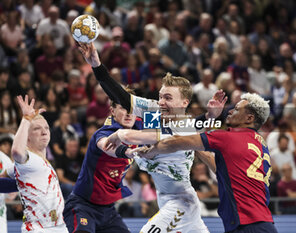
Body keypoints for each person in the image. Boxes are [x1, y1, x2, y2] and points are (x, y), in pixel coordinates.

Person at [77, 42, 224, 232]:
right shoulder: (155, 111)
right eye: (161, 96)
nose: (161, 102)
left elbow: (168, 132)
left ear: (184, 102)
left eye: (168, 98)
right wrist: (97, 65)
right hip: (167, 199)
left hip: (181, 202)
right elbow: (120, 95)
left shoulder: (186, 129)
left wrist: (123, 134)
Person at [124, 93, 278, 233]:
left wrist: (148, 150)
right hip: (262, 223)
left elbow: (175, 143)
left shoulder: (229, 137)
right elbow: (223, 170)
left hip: (247, 225)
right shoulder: (260, 144)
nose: (230, 111)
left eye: (237, 109)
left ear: (249, 118)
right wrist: (195, 142)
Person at [63, 97, 143, 233]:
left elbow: (169, 121)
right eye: (123, 108)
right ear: (112, 111)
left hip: (108, 210)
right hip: (83, 205)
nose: (129, 113)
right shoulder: (104, 133)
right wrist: (129, 151)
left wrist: (189, 126)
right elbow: (106, 146)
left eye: (132, 109)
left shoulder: (138, 126)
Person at [10, 95, 68, 232]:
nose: (44, 131)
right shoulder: (28, 158)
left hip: (59, 226)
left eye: (47, 128)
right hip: (38, 229)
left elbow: (6, 178)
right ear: (27, 136)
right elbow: (17, 151)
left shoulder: (42, 162)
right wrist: (26, 119)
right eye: (37, 128)